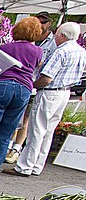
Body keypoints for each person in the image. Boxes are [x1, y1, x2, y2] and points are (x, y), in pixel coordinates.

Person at [15, 22, 86, 176]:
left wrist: (32, 85)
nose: (55, 38)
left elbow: (47, 78)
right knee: (48, 131)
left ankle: (25, 166)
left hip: (50, 92)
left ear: (63, 36)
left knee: (37, 130)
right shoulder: (81, 51)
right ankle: (37, 165)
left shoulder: (61, 52)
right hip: (65, 92)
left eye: (57, 35)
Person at [0, 17, 43, 175]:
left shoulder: (5, 48)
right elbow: (38, 66)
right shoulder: (38, 51)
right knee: (6, 131)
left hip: (1, 86)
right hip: (23, 89)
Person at [7, 12, 57, 164]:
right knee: (14, 116)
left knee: (26, 117)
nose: (41, 24)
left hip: (34, 84)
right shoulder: (29, 42)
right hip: (24, 82)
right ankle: (8, 145)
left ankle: (16, 148)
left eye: (44, 22)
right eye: (38, 21)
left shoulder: (52, 43)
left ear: (49, 23)